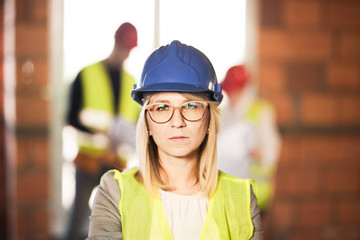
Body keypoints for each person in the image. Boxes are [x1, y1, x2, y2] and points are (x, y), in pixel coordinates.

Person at [87, 40, 264, 240]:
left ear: (209, 119)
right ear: (147, 122)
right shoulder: (114, 193)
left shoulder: (242, 197)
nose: (177, 122)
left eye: (191, 106)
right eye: (162, 108)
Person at [64, 22, 140, 240]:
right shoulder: (86, 74)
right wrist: (98, 136)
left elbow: (135, 124)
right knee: (77, 221)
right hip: (89, 159)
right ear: (116, 42)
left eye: (130, 49)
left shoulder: (131, 82)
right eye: (125, 47)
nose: (126, 54)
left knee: (118, 223)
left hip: (116, 162)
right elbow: (71, 117)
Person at [217, 65, 281, 214]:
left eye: (236, 90)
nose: (233, 95)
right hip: (229, 193)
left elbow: (271, 154)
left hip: (255, 195)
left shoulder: (261, 112)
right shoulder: (224, 114)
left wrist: (253, 153)